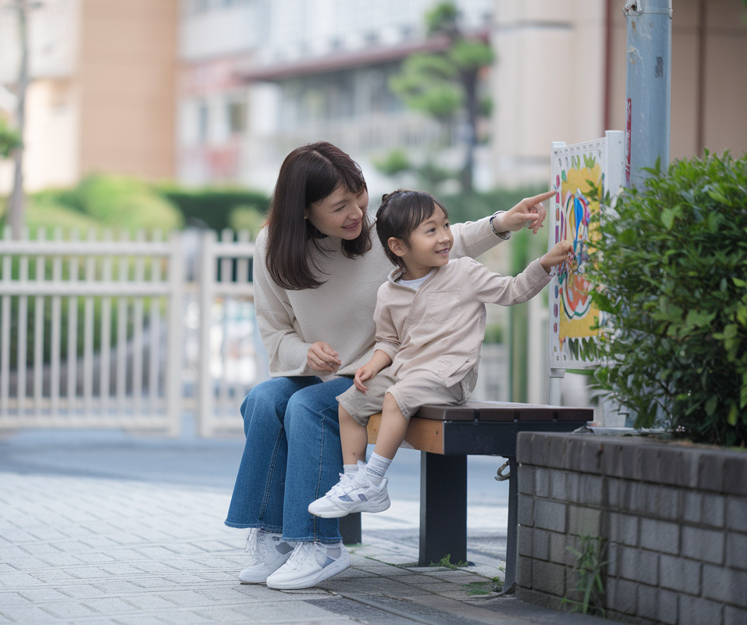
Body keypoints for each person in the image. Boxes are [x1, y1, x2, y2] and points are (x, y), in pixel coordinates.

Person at [225, 142, 553, 591]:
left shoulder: (382, 235)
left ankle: (321, 545)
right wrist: (307, 353)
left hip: (384, 369)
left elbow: (446, 239)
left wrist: (502, 222)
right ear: (303, 211)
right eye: (339, 206)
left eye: (358, 196)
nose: (356, 213)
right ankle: (275, 537)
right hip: (321, 371)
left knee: (309, 407)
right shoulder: (271, 249)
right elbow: (275, 333)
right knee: (263, 399)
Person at [307, 189, 572, 519]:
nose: (446, 237)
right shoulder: (389, 291)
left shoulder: (464, 272)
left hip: (450, 374)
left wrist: (544, 265)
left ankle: (373, 480)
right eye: (431, 230)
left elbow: (513, 290)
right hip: (407, 369)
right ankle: (352, 481)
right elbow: (388, 341)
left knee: (395, 397)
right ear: (399, 246)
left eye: (445, 225)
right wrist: (372, 366)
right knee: (347, 405)